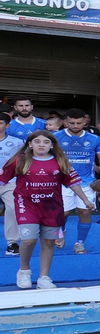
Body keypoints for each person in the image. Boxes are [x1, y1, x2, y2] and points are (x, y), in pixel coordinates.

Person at [2, 130, 94, 289]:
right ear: (30, 144)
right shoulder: (20, 160)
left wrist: (85, 199)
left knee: (49, 242)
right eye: (37, 142)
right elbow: (3, 178)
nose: (41, 145)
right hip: (27, 205)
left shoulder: (60, 161)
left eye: (45, 142)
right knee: (29, 240)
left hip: (52, 207)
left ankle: (44, 277)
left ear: (52, 145)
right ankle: (24, 270)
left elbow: (72, 182)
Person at [54, 109, 100, 254]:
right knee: (62, 213)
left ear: (84, 122)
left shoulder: (94, 138)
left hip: (86, 181)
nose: (75, 125)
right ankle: (61, 230)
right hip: (63, 181)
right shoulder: (56, 137)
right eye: (71, 123)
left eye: (79, 123)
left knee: (84, 212)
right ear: (65, 122)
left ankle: (80, 243)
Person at [3, 96, 46, 256]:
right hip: (16, 171)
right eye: (20, 106)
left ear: (32, 106)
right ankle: (14, 242)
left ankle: (45, 236)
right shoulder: (10, 126)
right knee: (16, 206)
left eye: (27, 105)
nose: (24, 108)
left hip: (39, 168)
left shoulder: (42, 124)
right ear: (15, 108)